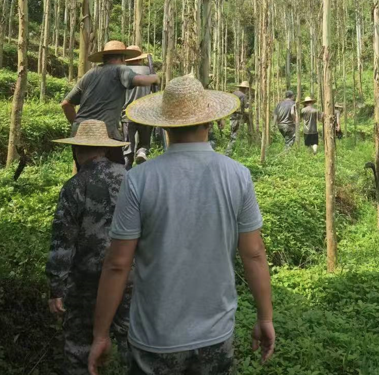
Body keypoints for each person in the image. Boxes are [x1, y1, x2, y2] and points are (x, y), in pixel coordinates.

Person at [90, 75, 275, 375]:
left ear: (164, 126)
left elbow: (117, 264)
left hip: (154, 339)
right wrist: (265, 317)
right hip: (215, 337)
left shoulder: (139, 179)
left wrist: (100, 334)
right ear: (210, 121)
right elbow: (253, 254)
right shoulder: (237, 175)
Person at [46, 120, 132, 375]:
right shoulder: (131, 179)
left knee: (80, 349)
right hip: (130, 277)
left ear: (78, 150)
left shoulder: (74, 186)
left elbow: (63, 240)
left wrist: (56, 287)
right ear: (104, 149)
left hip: (86, 282)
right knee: (133, 343)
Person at [60, 40, 159, 166]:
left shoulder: (90, 73)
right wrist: (154, 78)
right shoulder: (121, 69)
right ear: (123, 58)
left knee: (84, 176)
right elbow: (139, 80)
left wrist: (78, 126)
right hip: (104, 135)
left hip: (80, 135)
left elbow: (66, 104)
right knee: (115, 176)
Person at [122, 46, 161, 168]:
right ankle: (142, 151)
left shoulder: (122, 72)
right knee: (144, 144)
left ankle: (127, 170)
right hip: (145, 114)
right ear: (140, 58)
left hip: (127, 114)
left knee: (127, 148)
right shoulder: (148, 72)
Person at [225, 80, 252, 155]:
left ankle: (231, 151)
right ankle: (228, 152)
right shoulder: (243, 96)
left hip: (232, 117)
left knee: (232, 134)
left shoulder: (234, 93)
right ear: (245, 89)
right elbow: (244, 106)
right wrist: (249, 104)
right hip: (238, 117)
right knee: (235, 136)